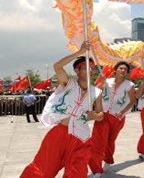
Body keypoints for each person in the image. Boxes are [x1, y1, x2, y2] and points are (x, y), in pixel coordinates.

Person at [21, 42, 103, 177]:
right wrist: (79, 52)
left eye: (93, 68)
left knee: (78, 173)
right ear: (77, 70)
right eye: (86, 67)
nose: (91, 70)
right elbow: (57, 66)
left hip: (81, 138)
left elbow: (101, 115)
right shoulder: (68, 83)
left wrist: (95, 116)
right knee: (43, 169)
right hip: (60, 134)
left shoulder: (97, 92)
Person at [89, 61, 136, 177]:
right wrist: (102, 82)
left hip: (118, 117)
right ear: (115, 70)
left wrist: (123, 112)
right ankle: (96, 169)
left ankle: (108, 160)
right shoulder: (107, 81)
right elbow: (95, 92)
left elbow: (133, 101)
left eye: (125, 70)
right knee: (98, 141)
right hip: (103, 115)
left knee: (110, 141)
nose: (122, 71)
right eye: (120, 68)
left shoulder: (129, 85)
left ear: (127, 73)